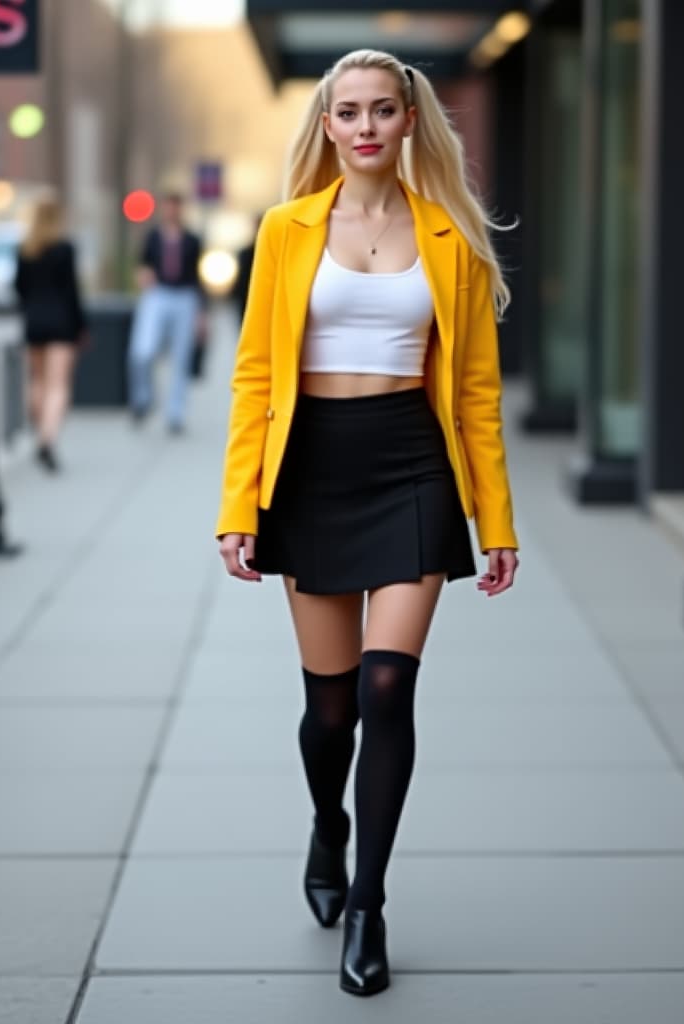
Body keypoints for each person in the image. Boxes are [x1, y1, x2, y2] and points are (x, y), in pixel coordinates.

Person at [216, 49, 519, 997]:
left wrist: (497, 522)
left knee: (390, 689)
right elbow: (255, 377)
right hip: (309, 467)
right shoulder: (285, 230)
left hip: (411, 464)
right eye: (348, 112)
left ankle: (369, 903)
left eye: (383, 110)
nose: (365, 127)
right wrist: (237, 508)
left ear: (410, 121)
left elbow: (475, 392)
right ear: (327, 126)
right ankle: (328, 825)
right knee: (331, 708)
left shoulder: (450, 238)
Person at [14, 194, 87, 473]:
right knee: (59, 385)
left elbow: (19, 287)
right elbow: (72, 292)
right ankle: (47, 439)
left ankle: (39, 429)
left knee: (38, 381)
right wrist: (81, 325)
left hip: (34, 322)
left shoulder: (24, 250)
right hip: (62, 323)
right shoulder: (65, 248)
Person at [127, 190, 204, 434]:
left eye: (175, 207)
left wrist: (202, 312)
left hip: (184, 296)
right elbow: (141, 265)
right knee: (143, 351)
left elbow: (197, 276)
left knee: (181, 357)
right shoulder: (152, 237)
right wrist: (143, 275)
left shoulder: (192, 239)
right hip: (158, 294)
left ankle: (175, 413)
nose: (172, 212)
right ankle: (143, 398)